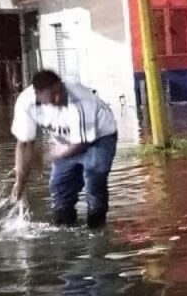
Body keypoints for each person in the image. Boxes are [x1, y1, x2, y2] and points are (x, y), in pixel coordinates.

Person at [11, 70, 120, 228]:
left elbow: (80, 144)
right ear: (38, 94)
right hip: (65, 140)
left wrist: (45, 157)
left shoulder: (81, 100)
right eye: (51, 95)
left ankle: (97, 230)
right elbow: (24, 143)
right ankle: (65, 231)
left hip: (100, 137)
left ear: (61, 85)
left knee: (94, 181)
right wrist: (20, 182)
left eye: (58, 92)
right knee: (60, 189)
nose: (57, 98)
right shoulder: (25, 103)